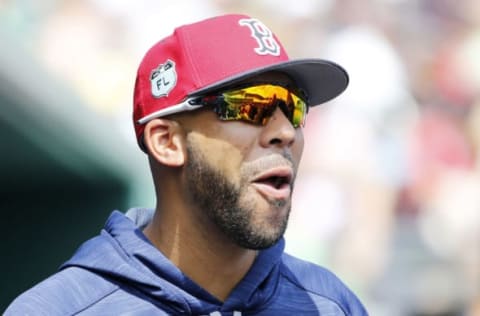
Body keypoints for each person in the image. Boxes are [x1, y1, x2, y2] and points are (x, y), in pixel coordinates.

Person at [6, 14, 368, 315]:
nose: (285, 131)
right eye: (252, 105)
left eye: (294, 107)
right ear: (166, 142)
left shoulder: (331, 304)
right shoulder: (59, 309)